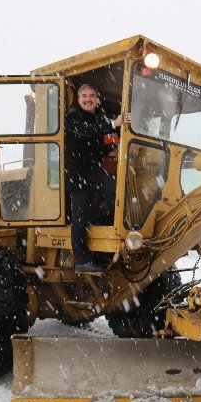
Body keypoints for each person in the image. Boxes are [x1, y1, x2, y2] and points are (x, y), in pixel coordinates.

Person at [65, 84, 131, 272]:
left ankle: (93, 221)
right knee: (79, 217)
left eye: (91, 96)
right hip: (78, 174)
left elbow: (93, 146)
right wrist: (112, 124)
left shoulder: (96, 118)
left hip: (94, 172)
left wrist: (114, 146)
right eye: (84, 96)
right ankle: (81, 260)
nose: (88, 99)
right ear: (78, 100)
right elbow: (85, 132)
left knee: (118, 192)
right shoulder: (73, 117)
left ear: (97, 99)